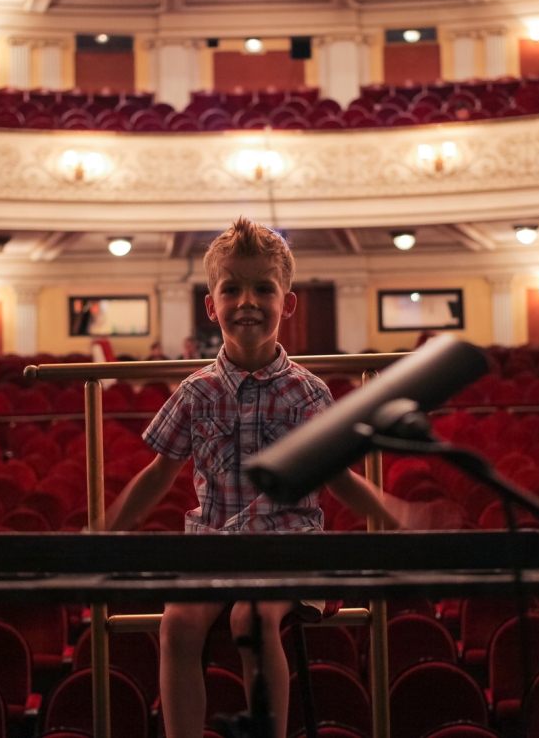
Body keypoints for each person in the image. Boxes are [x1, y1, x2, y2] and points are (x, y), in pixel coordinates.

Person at [104, 217, 399, 738]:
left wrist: (397, 514)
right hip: (212, 545)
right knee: (177, 626)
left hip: (290, 544)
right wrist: (105, 531)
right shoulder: (195, 391)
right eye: (231, 289)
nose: (247, 301)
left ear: (288, 303)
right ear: (210, 304)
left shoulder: (309, 393)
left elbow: (340, 481)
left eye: (263, 288)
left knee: (253, 620)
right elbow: (158, 475)